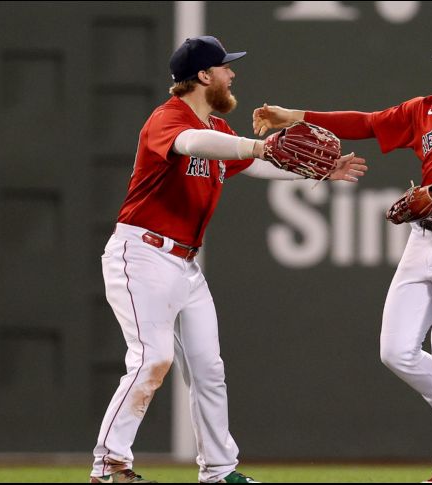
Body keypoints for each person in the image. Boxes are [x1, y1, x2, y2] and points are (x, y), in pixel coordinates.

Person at [89, 36, 366, 484]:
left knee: (208, 369)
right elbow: (192, 144)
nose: (231, 74)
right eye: (224, 67)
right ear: (203, 75)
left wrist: (317, 170)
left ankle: (218, 472)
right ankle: (109, 465)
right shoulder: (169, 119)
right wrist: (257, 147)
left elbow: (254, 164)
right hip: (142, 254)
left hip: (184, 265)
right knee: (152, 359)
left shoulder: (218, 130)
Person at [253, 31, 432, 482]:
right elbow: (367, 123)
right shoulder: (424, 109)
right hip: (423, 240)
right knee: (396, 351)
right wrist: (293, 115)